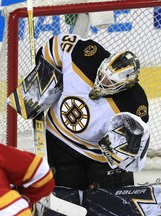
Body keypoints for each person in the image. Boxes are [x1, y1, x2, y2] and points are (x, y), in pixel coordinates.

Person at [33, 33, 152, 215]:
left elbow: (130, 152)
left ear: (125, 85)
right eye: (103, 74)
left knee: (110, 203)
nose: (103, 81)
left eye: (110, 82)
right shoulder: (86, 56)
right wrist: (42, 74)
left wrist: (120, 149)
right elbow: (56, 46)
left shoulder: (134, 103)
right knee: (61, 199)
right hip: (56, 141)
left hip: (98, 158)